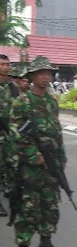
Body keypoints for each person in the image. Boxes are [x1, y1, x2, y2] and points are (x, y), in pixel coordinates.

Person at [9, 56, 67, 247]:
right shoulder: (22, 102)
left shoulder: (52, 102)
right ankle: (23, 241)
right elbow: (16, 133)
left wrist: (61, 156)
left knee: (50, 205)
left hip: (51, 165)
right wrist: (35, 155)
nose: (45, 76)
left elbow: (57, 131)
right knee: (28, 209)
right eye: (41, 73)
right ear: (32, 76)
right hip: (31, 168)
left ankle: (46, 239)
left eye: (48, 73)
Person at [0, 54, 19, 217]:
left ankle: (10, 190)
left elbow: (19, 107)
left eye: (7, 64)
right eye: (2, 64)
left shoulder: (13, 87)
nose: (6, 67)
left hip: (10, 134)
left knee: (11, 164)